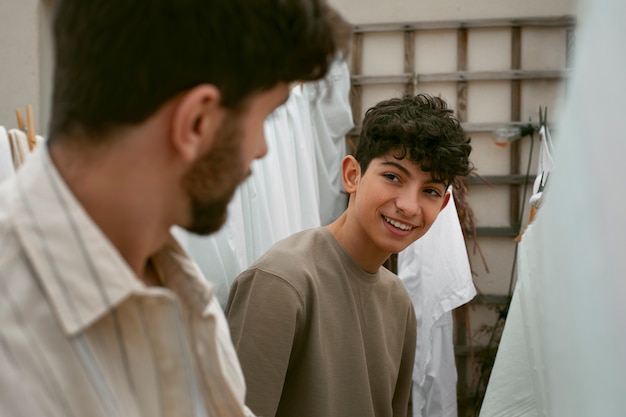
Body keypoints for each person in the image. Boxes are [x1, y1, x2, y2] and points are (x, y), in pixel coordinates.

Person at [0, 0, 350, 416]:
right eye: (266, 118)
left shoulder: (181, 288)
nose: (261, 150)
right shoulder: (15, 350)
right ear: (197, 123)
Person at [225, 93, 473, 417]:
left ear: (442, 206)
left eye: (430, 191)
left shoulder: (398, 301)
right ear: (352, 175)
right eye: (393, 177)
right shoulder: (281, 283)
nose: (409, 206)